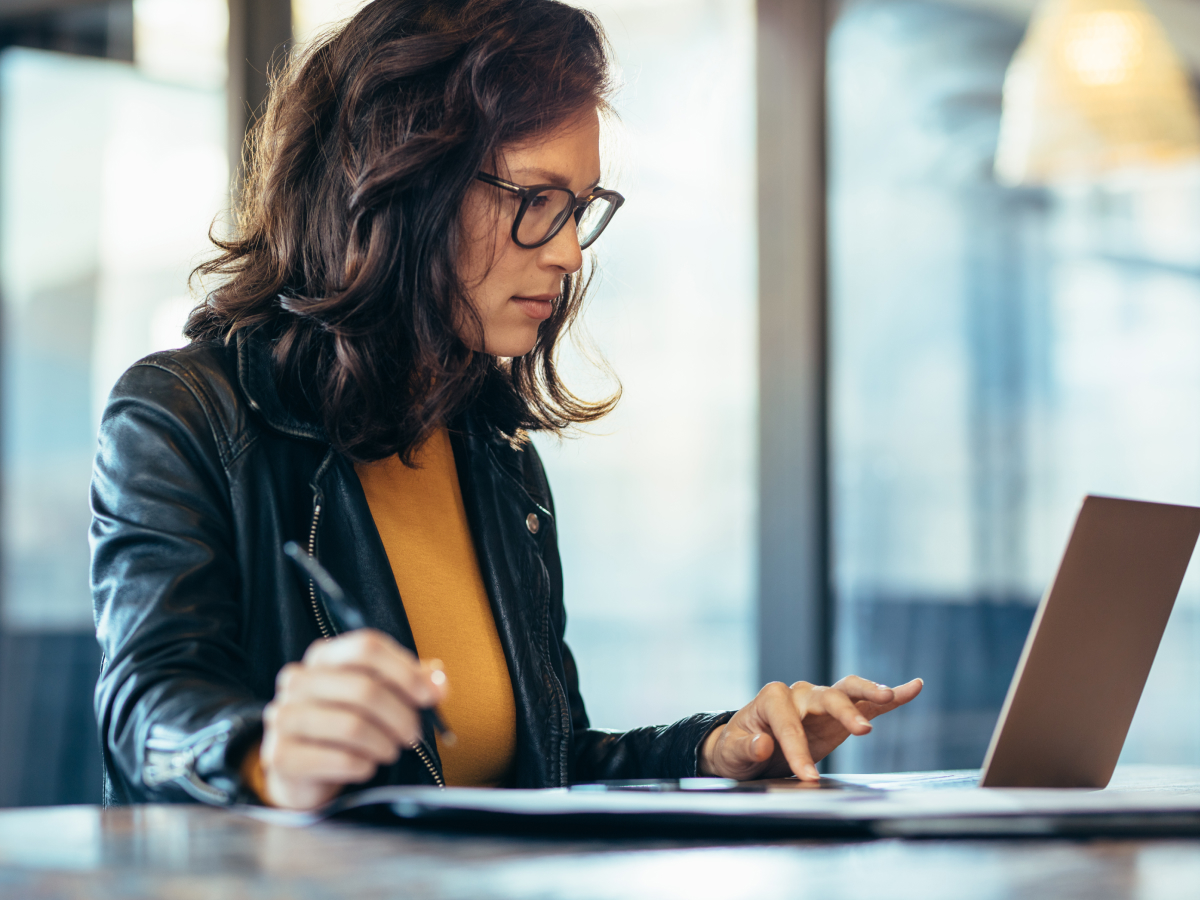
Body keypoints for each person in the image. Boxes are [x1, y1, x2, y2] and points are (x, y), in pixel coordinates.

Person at [91, 0, 922, 811]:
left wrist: (717, 749)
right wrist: (269, 756)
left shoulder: (495, 450)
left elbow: (543, 766)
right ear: (403, 182)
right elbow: (146, 712)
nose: (566, 252)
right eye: (535, 201)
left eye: (579, 210)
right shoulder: (184, 414)